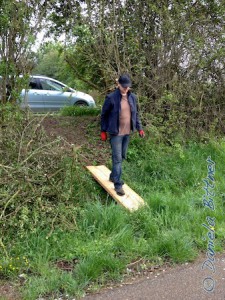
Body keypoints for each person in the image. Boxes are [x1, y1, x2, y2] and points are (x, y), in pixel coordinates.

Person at [100, 74, 145, 196]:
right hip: (115, 134)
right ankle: (118, 185)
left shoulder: (132, 98)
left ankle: (113, 176)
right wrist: (103, 130)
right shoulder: (111, 98)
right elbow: (104, 115)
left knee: (122, 156)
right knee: (118, 159)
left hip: (127, 133)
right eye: (123, 86)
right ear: (118, 84)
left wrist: (140, 128)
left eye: (128, 87)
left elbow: (136, 115)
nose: (126, 89)